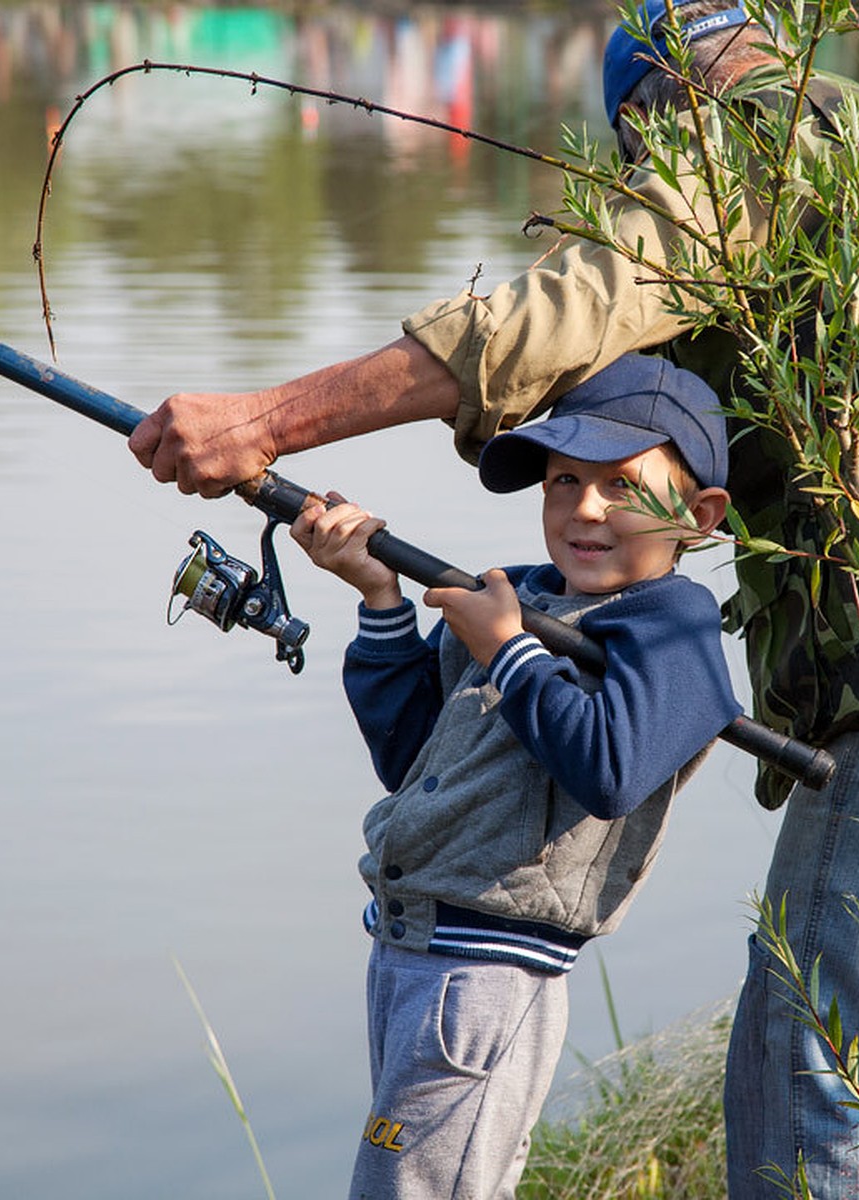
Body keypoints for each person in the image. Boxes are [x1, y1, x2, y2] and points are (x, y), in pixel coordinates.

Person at [128, 3, 859, 1195]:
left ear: (652, 121)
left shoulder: (745, 149)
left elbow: (544, 321)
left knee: (813, 1057)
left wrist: (263, 422)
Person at [288, 351, 740, 1199]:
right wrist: (381, 600)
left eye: (621, 485)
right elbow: (412, 758)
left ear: (702, 512)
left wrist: (511, 650)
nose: (585, 508)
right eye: (563, 481)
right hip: (408, 946)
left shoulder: (675, 626)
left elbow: (610, 767)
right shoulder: (519, 595)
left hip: (488, 977)